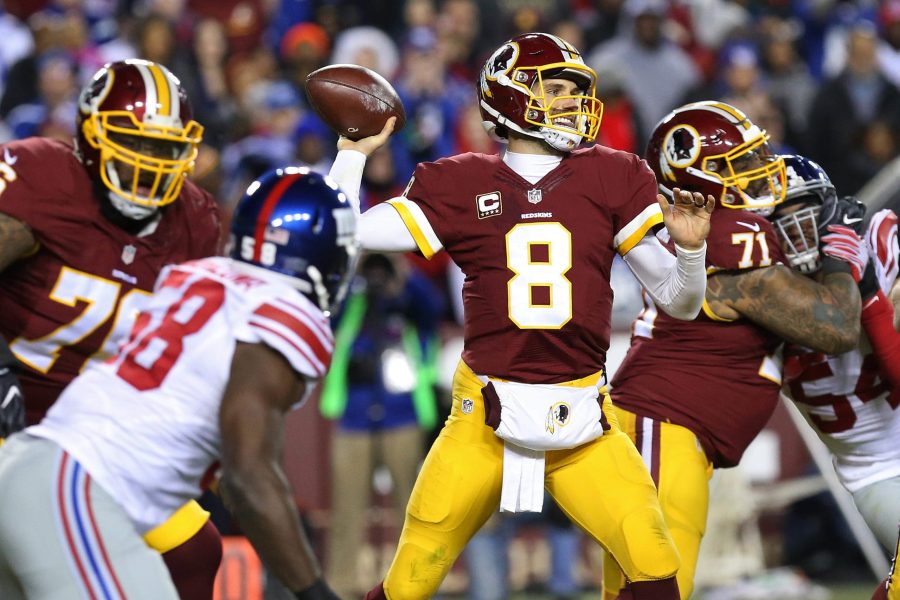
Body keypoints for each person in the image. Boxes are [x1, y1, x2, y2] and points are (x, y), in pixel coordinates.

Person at [328, 32, 716, 600]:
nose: (572, 101)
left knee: (658, 570)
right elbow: (345, 233)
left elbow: (680, 302)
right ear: (510, 97)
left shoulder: (612, 174)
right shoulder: (460, 181)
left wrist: (692, 251)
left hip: (584, 421)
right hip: (483, 417)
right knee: (409, 581)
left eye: (574, 90)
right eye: (556, 88)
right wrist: (351, 155)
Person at [0, 167, 354, 599]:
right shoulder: (285, 314)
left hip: (25, 468)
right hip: (77, 486)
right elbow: (248, 475)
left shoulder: (196, 276)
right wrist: (315, 591)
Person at [601, 103, 864, 600]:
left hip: (671, 430)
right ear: (695, 176)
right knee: (656, 589)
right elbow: (835, 327)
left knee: (642, 591)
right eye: (741, 163)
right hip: (663, 424)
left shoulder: (722, 231)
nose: (760, 167)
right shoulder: (731, 233)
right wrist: (838, 257)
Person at [0, 59, 223, 597]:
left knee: (193, 549)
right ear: (91, 135)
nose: (149, 162)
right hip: (13, 410)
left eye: (164, 148)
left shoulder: (194, 222)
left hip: (93, 433)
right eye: (134, 142)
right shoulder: (44, 179)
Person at [772, 155, 900, 550]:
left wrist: (869, 288)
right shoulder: (758, 296)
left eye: (805, 213)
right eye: (780, 221)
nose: (796, 232)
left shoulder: (876, 243)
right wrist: (865, 292)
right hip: (877, 468)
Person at [320, 252, 444, 597]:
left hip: (402, 416)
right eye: (371, 270)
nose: (376, 277)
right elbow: (328, 313)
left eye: (380, 270)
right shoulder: (353, 306)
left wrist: (402, 272)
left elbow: (434, 308)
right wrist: (354, 272)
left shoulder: (408, 304)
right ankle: (341, 586)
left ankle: (416, 585)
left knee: (412, 508)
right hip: (354, 417)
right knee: (346, 511)